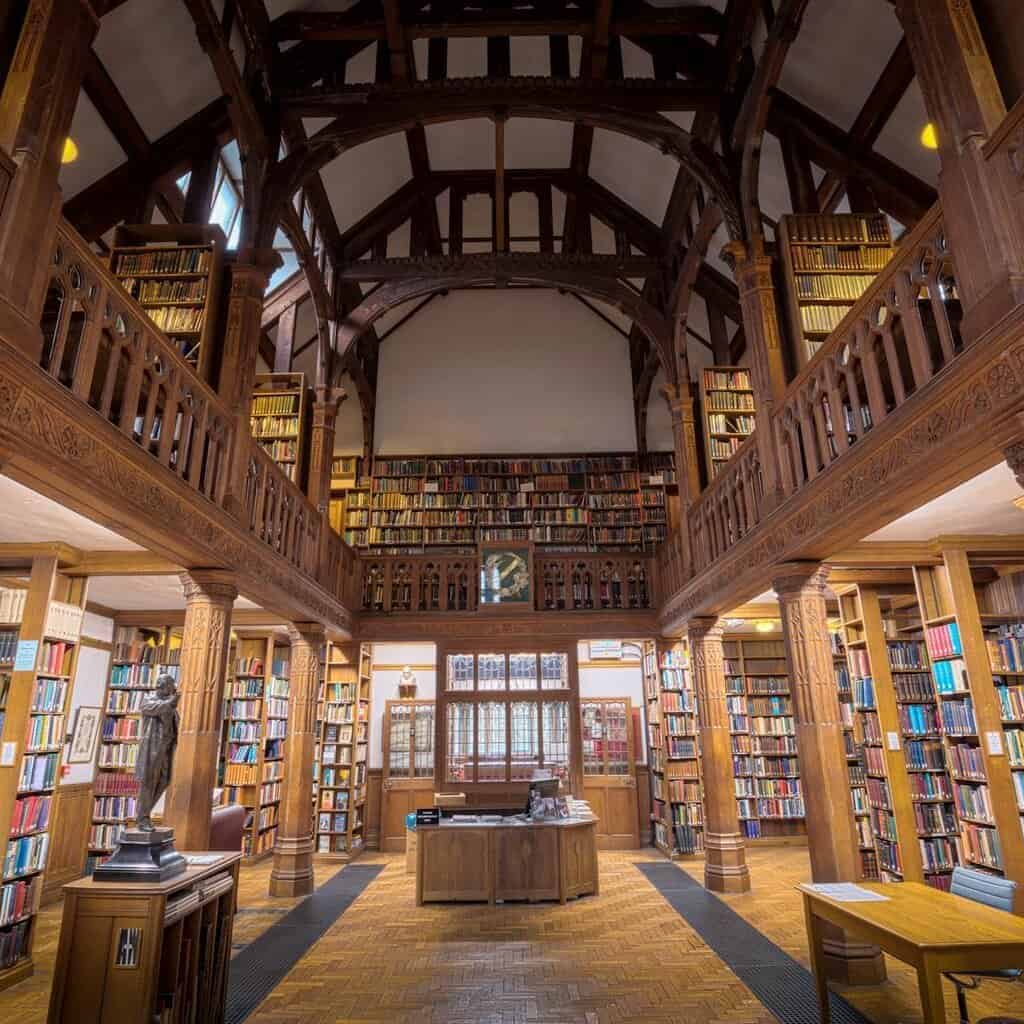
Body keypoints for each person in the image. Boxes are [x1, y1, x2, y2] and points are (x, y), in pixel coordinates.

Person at [135, 672, 179, 831]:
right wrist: (173, 700)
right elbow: (158, 708)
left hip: (166, 748)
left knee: (164, 780)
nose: (173, 688)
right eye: (171, 685)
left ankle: (144, 813)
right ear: (164, 686)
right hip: (152, 748)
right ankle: (142, 818)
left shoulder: (170, 704)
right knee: (149, 782)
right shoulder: (149, 700)